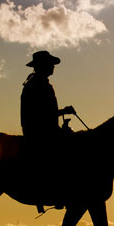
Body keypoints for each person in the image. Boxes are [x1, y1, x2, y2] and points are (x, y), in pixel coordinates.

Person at [21, 51, 75, 213]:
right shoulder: (38, 84)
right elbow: (42, 113)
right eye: (50, 64)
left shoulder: (36, 83)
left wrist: (61, 115)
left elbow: (44, 112)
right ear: (43, 66)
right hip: (40, 131)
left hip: (41, 128)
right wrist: (63, 111)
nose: (53, 67)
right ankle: (60, 193)